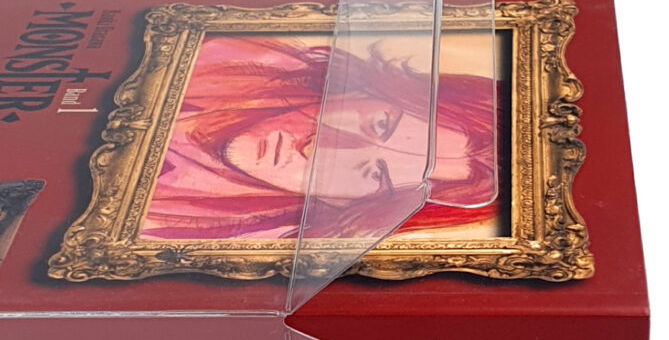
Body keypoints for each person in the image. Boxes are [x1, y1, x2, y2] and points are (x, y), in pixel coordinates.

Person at [141, 35, 497, 240]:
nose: (317, 148)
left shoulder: (240, 247)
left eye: (375, 175)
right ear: (364, 90)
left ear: (346, 206)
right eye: (379, 124)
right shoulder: (227, 58)